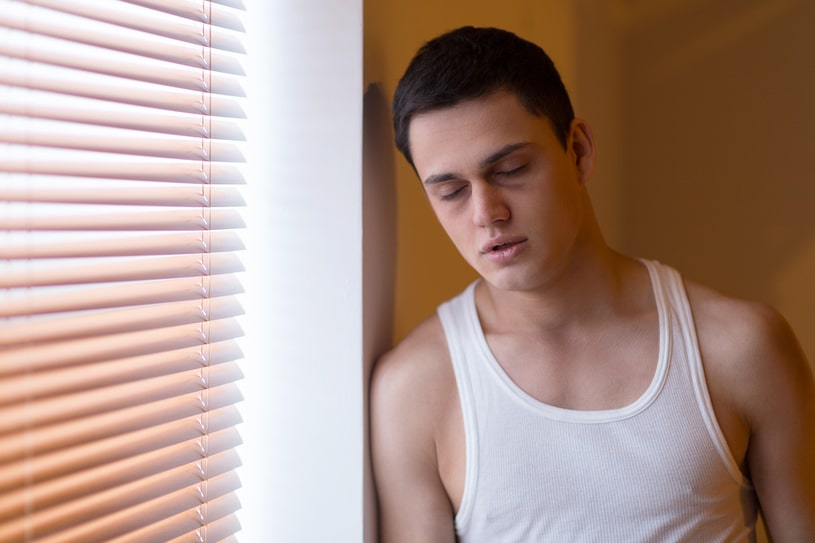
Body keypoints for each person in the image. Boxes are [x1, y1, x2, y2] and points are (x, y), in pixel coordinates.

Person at [370, 25, 815, 542]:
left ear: (578, 151)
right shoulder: (417, 388)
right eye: (450, 191)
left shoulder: (740, 347)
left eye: (511, 169)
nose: (487, 213)